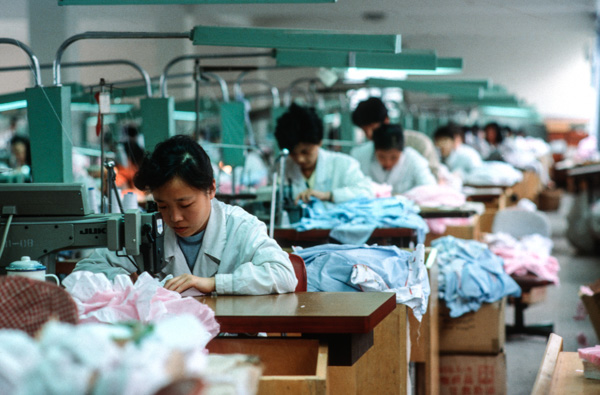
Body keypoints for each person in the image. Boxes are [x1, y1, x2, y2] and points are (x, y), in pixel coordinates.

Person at [74, 135, 298, 295]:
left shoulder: (240, 227)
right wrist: (127, 283)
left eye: (185, 204)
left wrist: (214, 284)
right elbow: (85, 271)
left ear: (211, 189)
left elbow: (283, 274)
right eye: (162, 205)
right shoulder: (146, 229)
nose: (175, 217)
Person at [275, 103, 373, 203]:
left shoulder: (344, 164)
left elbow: (366, 192)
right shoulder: (281, 168)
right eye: (293, 154)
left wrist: (329, 195)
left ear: (319, 142)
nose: (300, 159)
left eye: (305, 152)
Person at [350, 97, 440, 178]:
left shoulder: (419, 144)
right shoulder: (363, 153)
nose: (369, 135)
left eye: (373, 128)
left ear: (386, 120)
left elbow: (433, 180)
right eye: (365, 130)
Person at [351, 123, 436, 194]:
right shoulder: (359, 156)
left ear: (402, 151)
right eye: (381, 157)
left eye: (394, 157)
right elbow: (351, 188)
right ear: (374, 150)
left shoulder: (415, 160)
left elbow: (429, 189)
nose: (388, 162)